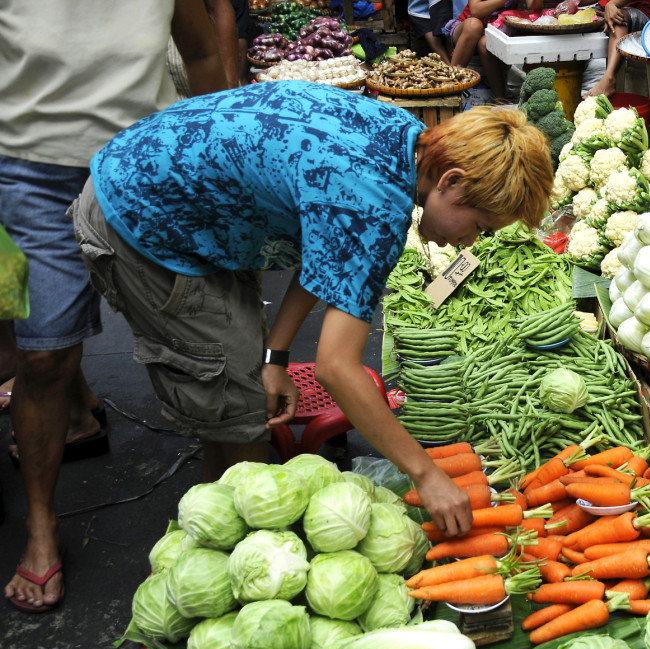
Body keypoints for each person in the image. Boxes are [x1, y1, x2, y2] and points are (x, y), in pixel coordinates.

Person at [72, 82, 553, 545]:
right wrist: (425, 474)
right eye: (478, 225)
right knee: (237, 411)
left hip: (181, 194)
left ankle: (224, 485)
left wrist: (275, 354)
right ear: (452, 181)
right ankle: (233, 536)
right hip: (140, 215)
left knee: (239, 381)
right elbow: (336, 368)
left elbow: (321, 249)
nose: (469, 242)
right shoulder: (373, 203)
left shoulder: (401, 135)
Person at [1, 0, 228, 613]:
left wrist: (220, 150)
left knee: (199, 328)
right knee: (42, 354)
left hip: (143, 162)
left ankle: (226, 495)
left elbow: (203, 52)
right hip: (30, 171)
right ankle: (42, 523)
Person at [445, 0, 541, 103]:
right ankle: (449, 86)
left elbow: (534, 6)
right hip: (467, 28)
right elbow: (476, 11)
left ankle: (501, 101)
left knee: (488, 42)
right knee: (474, 26)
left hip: (498, 29)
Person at [586, 0, 650, 98]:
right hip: (607, 7)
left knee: (617, 18)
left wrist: (612, 4)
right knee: (579, 16)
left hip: (644, 13)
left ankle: (609, 78)